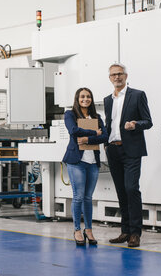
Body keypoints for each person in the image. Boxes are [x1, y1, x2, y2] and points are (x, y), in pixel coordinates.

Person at [104, 63, 152, 248]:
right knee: (121, 191)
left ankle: (135, 233)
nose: (117, 77)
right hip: (113, 150)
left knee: (131, 189)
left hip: (131, 149)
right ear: (109, 78)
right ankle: (124, 231)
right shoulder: (108, 100)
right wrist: (106, 145)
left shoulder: (137, 95)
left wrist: (135, 124)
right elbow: (110, 124)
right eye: (113, 75)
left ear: (125, 75)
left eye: (120, 74)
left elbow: (148, 121)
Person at [63, 87, 108, 246]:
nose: (85, 99)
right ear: (77, 98)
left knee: (88, 198)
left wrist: (88, 139)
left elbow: (105, 136)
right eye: (82, 96)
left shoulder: (97, 116)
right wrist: (93, 133)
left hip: (92, 162)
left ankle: (88, 230)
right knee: (78, 196)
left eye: (88, 96)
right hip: (76, 161)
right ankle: (76, 229)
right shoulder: (70, 114)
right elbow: (73, 130)